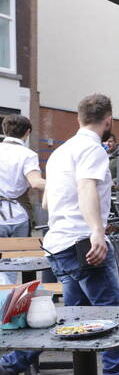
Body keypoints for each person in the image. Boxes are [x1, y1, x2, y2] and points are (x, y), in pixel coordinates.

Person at [0, 95, 119, 375]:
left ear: (78, 118)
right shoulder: (92, 150)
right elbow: (87, 188)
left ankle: (10, 367)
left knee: (73, 318)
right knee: (113, 311)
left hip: (58, 242)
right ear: (108, 120)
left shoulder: (61, 152)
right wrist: (97, 232)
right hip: (81, 243)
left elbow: (47, 202)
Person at [0, 115, 45, 285]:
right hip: (18, 215)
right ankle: (8, 301)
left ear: (4, 131)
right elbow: (36, 182)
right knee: (15, 263)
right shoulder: (28, 155)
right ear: (27, 133)